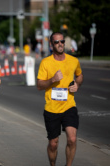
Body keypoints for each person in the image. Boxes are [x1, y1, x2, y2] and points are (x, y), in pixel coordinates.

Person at [37, 32, 83, 166]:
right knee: (53, 144)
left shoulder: (73, 61)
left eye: (62, 41)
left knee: (72, 139)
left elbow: (79, 76)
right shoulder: (46, 62)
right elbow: (39, 85)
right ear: (52, 45)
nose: (60, 44)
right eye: (56, 42)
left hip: (69, 106)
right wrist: (52, 80)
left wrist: (77, 84)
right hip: (51, 109)